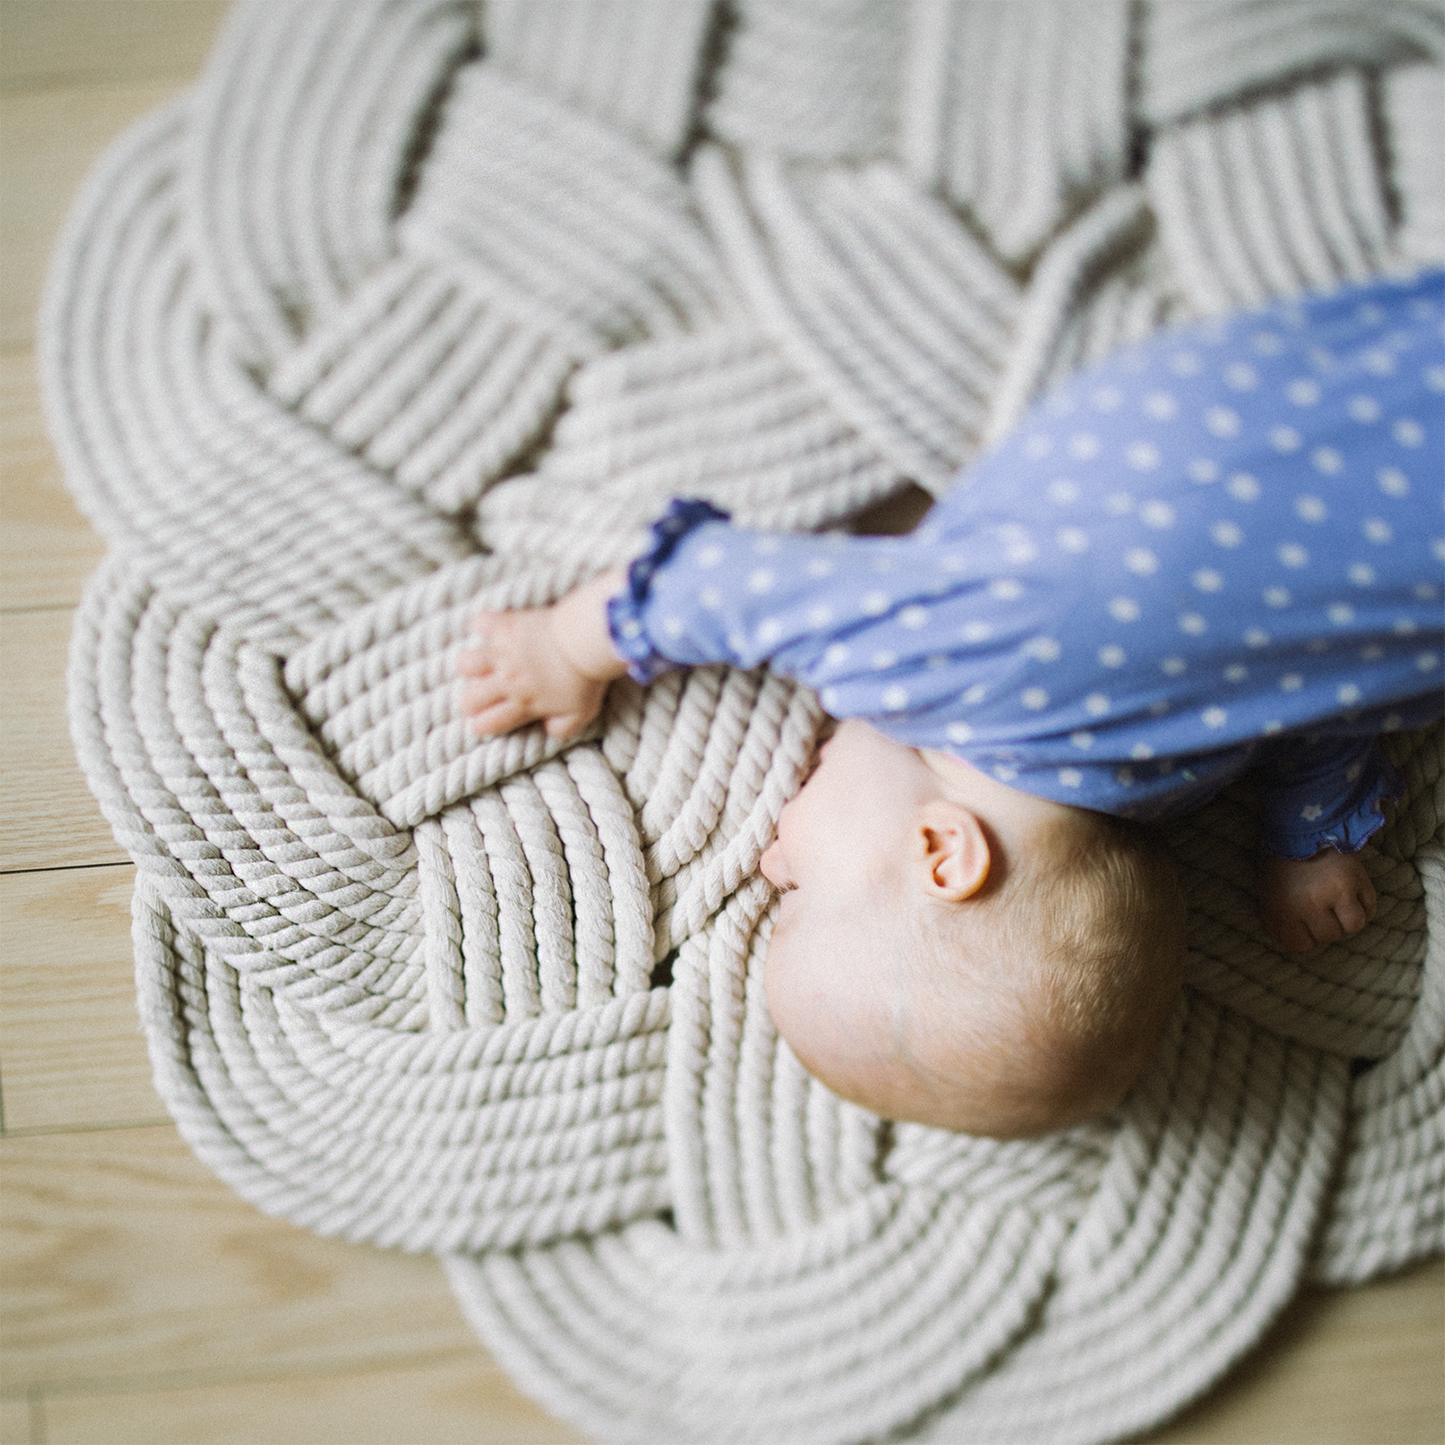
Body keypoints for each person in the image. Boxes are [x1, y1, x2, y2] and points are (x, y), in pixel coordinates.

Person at [458, 268, 1445, 1138]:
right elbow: (715, 586)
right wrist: (566, 644)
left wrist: (1303, 839)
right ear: (942, 851)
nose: (765, 860)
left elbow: (1321, 691)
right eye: (796, 893)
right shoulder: (923, 673)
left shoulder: (1166, 782)